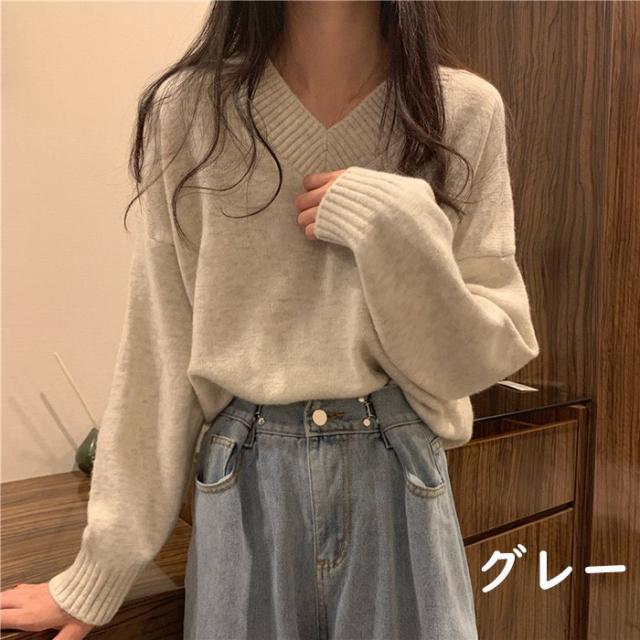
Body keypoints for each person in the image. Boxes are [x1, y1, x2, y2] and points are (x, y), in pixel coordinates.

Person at [0, 1, 540, 639]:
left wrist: (401, 231)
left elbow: (478, 360)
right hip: (245, 489)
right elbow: (159, 355)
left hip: (398, 482)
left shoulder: (462, 111)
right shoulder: (190, 112)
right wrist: (99, 572)